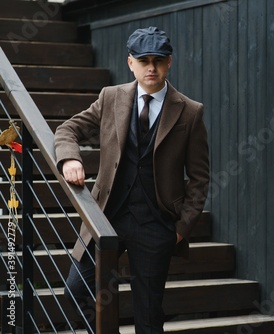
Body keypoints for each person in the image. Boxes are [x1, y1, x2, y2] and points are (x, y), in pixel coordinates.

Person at [54, 26, 210, 333]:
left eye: (158, 60)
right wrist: (70, 157)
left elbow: (200, 178)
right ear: (131, 63)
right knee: (76, 290)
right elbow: (67, 130)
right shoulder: (110, 97)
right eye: (143, 60)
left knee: (149, 316)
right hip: (107, 216)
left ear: (169, 62)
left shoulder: (190, 112)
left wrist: (179, 230)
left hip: (156, 225)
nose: (151, 67)